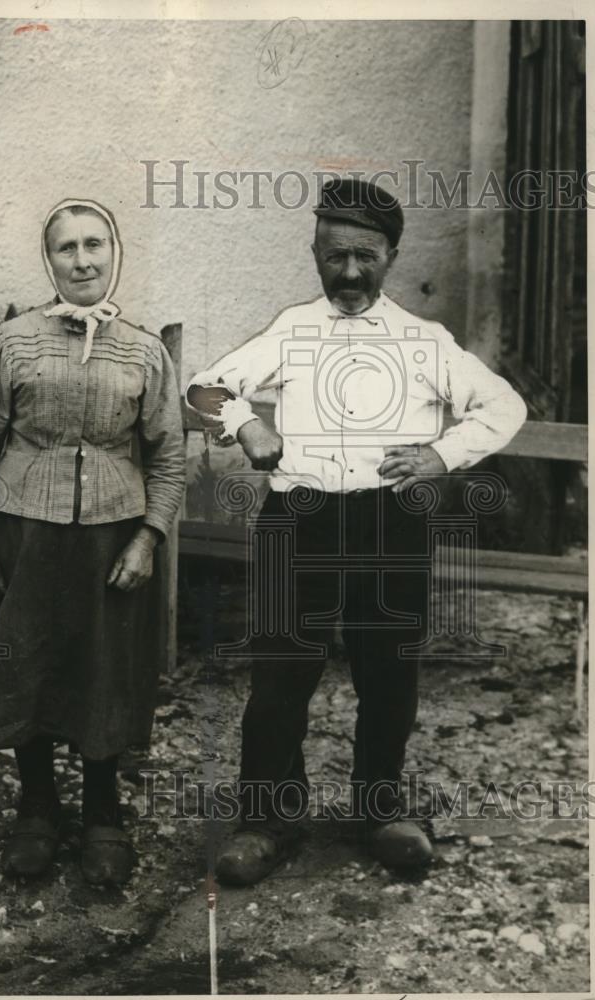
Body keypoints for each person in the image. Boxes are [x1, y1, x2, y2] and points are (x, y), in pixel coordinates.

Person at [187, 178, 527, 885]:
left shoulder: (423, 341)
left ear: (391, 256)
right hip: (300, 518)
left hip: (389, 519)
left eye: (364, 257)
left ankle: (379, 809)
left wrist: (439, 455)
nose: (348, 273)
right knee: (281, 673)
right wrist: (244, 422)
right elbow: (202, 388)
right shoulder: (292, 329)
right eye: (334, 255)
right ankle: (267, 819)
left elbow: (503, 405)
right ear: (315, 250)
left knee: (388, 671)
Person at [0, 198, 185, 886]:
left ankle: (104, 814)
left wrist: (147, 538)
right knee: (27, 664)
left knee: (102, 669)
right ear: (47, 260)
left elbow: (169, 459)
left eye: (94, 245)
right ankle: (37, 807)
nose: (82, 260)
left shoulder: (144, 351)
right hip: (20, 529)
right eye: (66, 248)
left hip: (111, 538)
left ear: (114, 254)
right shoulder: (11, 342)